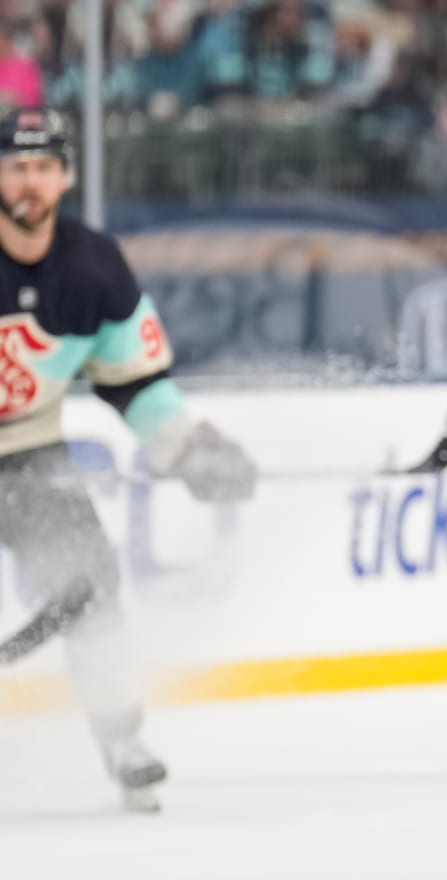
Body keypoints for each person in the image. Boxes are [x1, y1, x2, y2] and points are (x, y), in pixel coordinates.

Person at [0, 107, 255, 813]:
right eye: (17, 166)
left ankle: (121, 741)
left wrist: (188, 449)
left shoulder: (94, 267)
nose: (31, 182)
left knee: (90, 585)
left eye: (45, 167)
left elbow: (136, 383)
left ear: (67, 177)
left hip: (24, 452)